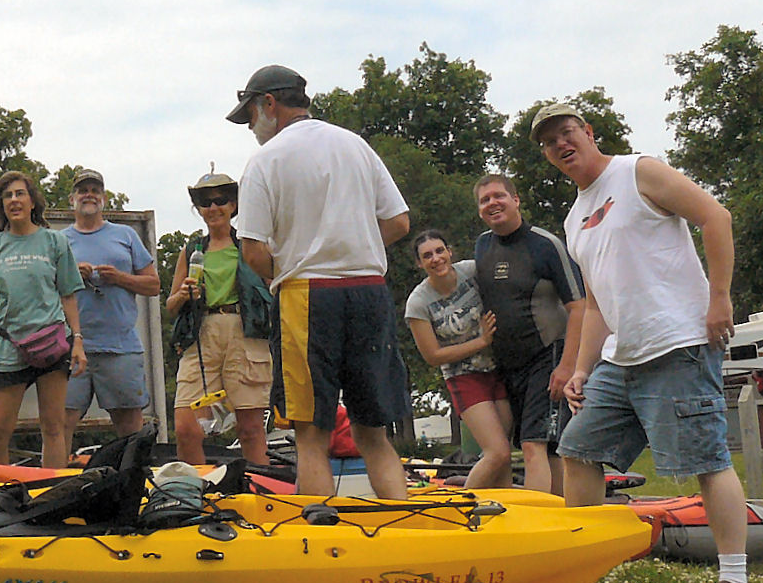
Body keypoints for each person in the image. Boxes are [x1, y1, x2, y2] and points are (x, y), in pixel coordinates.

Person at [531, 102, 749, 583]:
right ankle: (579, 563)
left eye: (567, 133)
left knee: (707, 461)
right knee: (578, 450)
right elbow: (594, 303)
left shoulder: (639, 172)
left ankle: (733, 576)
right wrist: (583, 368)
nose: (561, 145)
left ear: (588, 132)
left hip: (678, 344)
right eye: (549, 143)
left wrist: (719, 299)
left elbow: (716, 217)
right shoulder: (573, 220)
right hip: (620, 357)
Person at [227, 64, 411, 498]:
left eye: (250, 116)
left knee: (311, 435)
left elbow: (252, 250)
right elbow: (399, 222)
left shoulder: (266, 160)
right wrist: (352, 248)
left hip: (306, 296)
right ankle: (406, 526)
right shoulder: (355, 145)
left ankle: (316, 538)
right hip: (368, 290)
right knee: (374, 433)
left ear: (268, 103)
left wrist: (296, 264)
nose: (252, 127)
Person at [473, 174, 585, 494]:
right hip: (507, 364)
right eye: (484, 200)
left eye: (499, 196)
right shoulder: (483, 245)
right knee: (547, 449)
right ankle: (564, 515)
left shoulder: (545, 245)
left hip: (547, 356)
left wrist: (567, 366)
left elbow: (579, 306)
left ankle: (537, 524)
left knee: (533, 444)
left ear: (516, 199)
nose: (492, 203)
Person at [0, 171, 86, 468]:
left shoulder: (55, 242)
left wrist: (78, 341)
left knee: (54, 427)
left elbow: (68, 295)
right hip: (9, 348)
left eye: (20, 194)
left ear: (33, 201)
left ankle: (50, 496)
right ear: (1, 206)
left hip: (51, 345)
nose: (14, 200)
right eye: (7, 196)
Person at [166, 170, 273, 465]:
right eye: (205, 201)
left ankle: (259, 493)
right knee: (186, 428)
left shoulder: (250, 245)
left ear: (234, 205)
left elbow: (274, 287)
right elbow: (171, 305)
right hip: (201, 336)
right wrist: (185, 294)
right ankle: (194, 495)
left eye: (221, 199)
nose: (213, 207)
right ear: (198, 209)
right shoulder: (191, 250)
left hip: (246, 331)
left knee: (250, 429)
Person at [62, 168, 160, 453]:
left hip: (120, 347)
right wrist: (71, 275)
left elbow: (153, 285)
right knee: (60, 423)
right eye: (83, 190)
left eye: (95, 190)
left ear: (104, 198)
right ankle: (51, 486)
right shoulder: (58, 241)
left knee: (130, 425)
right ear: (72, 199)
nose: (89, 195)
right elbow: (44, 290)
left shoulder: (126, 235)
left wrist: (119, 278)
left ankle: (134, 485)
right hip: (70, 348)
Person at [405, 230, 512, 489]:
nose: (436, 259)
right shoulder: (418, 303)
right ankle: (463, 504)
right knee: (497, 452)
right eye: (427, 256)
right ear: (420, 263)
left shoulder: (471, 271)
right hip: (464, 377)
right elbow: (433, 356)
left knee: (503, 455)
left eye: (440, 251)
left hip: (498, 368)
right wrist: (481, 342)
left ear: (450, 251)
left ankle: (507, 509)